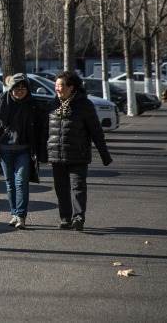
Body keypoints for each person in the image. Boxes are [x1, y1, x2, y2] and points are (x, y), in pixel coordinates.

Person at [48, 71, 113, 231]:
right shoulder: (52, 105)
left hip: (78, 155)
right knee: (61, 188)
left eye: (61, 85)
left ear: (72, 87)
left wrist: (105, 154)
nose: (57, 89)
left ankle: (78, 218)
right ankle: (65, 218)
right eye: (56, 85)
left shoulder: (85, 105)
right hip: (57, 155)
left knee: (78, 187)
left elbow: (96, 131)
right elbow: (45, 131)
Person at [0, 73, 47, 229]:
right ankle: (14, 213)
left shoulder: (33, 105)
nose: (20, 91)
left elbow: (41, 129)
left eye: (23, 88)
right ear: (10, 89)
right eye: (16, 88)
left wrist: (41, 150)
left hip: (24, 150)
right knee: (10, 184)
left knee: (21, 182)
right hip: (4, 150)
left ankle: (21, 215)